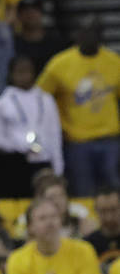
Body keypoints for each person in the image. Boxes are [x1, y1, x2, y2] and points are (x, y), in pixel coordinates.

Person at [36, 15, 120, 197]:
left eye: (96, 32)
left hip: (110, 140)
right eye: (87, 32)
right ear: (77, 35)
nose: (91, 36)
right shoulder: (59, 64)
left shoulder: (115, 62)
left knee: (115, 191)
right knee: (84, 192)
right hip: (77, 142)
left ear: (102, 35)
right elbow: (39, 99)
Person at [0, 54, 64, 198]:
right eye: (20, 72)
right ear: (11, 74)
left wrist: (58, 168)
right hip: (16, 163)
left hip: (44, 161)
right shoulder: (2, 104)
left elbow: (55, 135)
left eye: (28, 71)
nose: (25, 76)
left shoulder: (47, 100)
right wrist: (20, 145)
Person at [86, 186, 120, 269]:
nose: (109, 217)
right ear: (95, 211)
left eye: (113, 210)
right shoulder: (87, 245)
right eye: (103, 211)